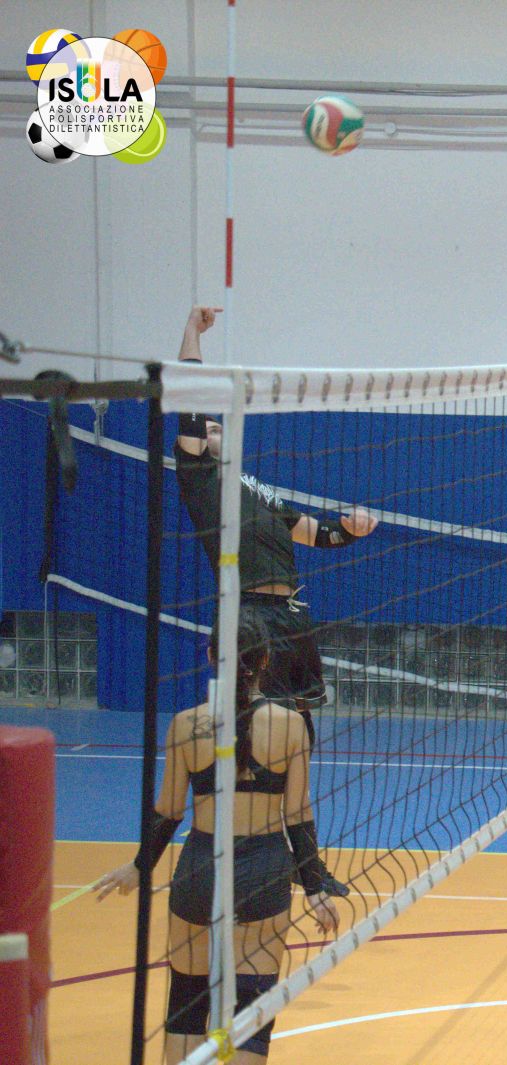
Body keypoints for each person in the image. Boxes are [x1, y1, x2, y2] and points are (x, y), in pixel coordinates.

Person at [95, 618, 347, 1063]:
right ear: (265, 661)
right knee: (251, 1016)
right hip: (264, 873)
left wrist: (139, 866)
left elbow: (169, 810)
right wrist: (315, 888)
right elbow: (297, 814)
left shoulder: (185, 725)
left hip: (200, 870)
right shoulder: (292, 726)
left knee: (187, 1008)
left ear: (212, 657)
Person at [173, 306, 378, 746]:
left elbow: (318, 535)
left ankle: (294, 791)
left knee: (299, 724)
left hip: (291, 613)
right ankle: (242, 787)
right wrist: (193, 332)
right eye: (206, 428)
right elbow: (190, 398)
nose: (211, 428)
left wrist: (351, 531)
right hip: (246, 611)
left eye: (217, 426)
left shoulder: (258, 489)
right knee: (250, 723)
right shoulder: (199, 477)